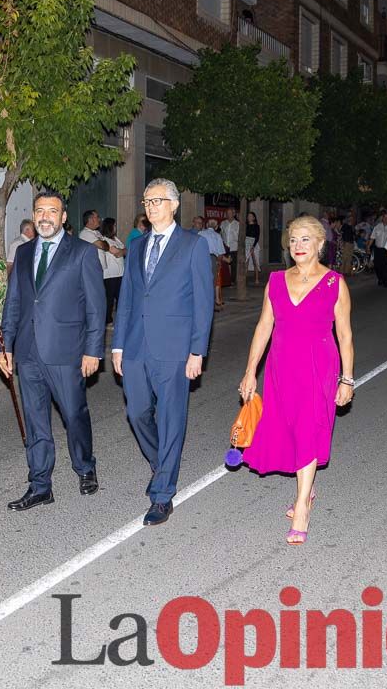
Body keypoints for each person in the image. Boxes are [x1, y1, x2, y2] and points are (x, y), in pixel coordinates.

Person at [238, 215, 354, 545]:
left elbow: (344, 335)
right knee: (289, 427)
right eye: (293, 240)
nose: (298, 246)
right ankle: (309, 483)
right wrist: (250, 371)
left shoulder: (334, 283)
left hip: (319, 366)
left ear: (320, 244)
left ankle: (302, 505)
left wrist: (347, 380)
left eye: (306, 239)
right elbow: (263, 328)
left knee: (309, 427)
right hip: (280, 367)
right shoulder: (276, 280)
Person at [112, 179, 214, 526]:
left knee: (171, 420)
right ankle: (161, 464)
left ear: (173, 205)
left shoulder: (193, 245)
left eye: (158, 200)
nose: (151, 206)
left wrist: (197, 351)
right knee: (137, 412)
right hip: (137, 345)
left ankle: (163, 494)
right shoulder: (138, 246)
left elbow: (203, 303)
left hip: (174, 347)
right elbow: (127, 297)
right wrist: (118, 345)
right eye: (147, 201)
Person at [0, 192, 106, 509]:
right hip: (29, 351)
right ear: (35, 216)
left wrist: (93, 350)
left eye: (52, 211)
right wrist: (6, 346)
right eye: (40, 211)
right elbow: (14, 302)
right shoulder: (23, 253)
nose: (45, 216)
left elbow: (96, 308)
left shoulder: (83, 253)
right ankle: (40, 484)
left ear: (63, 218)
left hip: (67, 352)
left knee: (74, 415)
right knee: (35, 422)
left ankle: (85, 467)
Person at [102, 217, 127, 323]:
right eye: (115, 225)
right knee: (109, 299)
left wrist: (122, 251)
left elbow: (125, 251)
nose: (116, 227)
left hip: (120, 273)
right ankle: (107, 320)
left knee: (121, 298)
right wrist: (122, 251)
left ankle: (120, 319)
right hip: (110, 274)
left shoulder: (116, 239)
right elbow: (117, 252)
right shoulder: (104, 240)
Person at [198, 217, 227, 311]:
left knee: (202, 280)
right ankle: (211, 303)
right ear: (216, 227)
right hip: (212, 258)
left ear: (206, 225)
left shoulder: (200, 233)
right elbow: (220, 252)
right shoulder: (217, 236)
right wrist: (218, 262)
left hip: (201, 258)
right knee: (213, 281)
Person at [369, 211, 387, 288]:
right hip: (378, 249)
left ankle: (385, 281)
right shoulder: (377, 227)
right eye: (384, 217)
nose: (385, 219)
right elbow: (372, 237)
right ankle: (380, 278)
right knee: (377, 266)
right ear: (382, 218)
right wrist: (368, 247)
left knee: (386, 266)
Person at [220, 208, 239, 286]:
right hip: (225, 247)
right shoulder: (223, 223)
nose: (228, 215)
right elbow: (221, 234)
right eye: (227, 213)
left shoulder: (238, 224)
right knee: (225, 265)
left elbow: (239, 237)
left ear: (234, 214)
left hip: (234, 247)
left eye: (230, 213)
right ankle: (227, 281)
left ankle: (233, 281)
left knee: (233, 265)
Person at [244, 210, 261, 285]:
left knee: (255, 261)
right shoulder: (245, 226)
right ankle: (244, 279)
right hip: (247, 243)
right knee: (246, 261)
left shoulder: (257, 226)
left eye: (251, 216)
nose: (249, 217)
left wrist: (253, 246)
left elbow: (257, 237)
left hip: (254, 243)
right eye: (248, 216)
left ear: (254, 217)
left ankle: (257, 279)